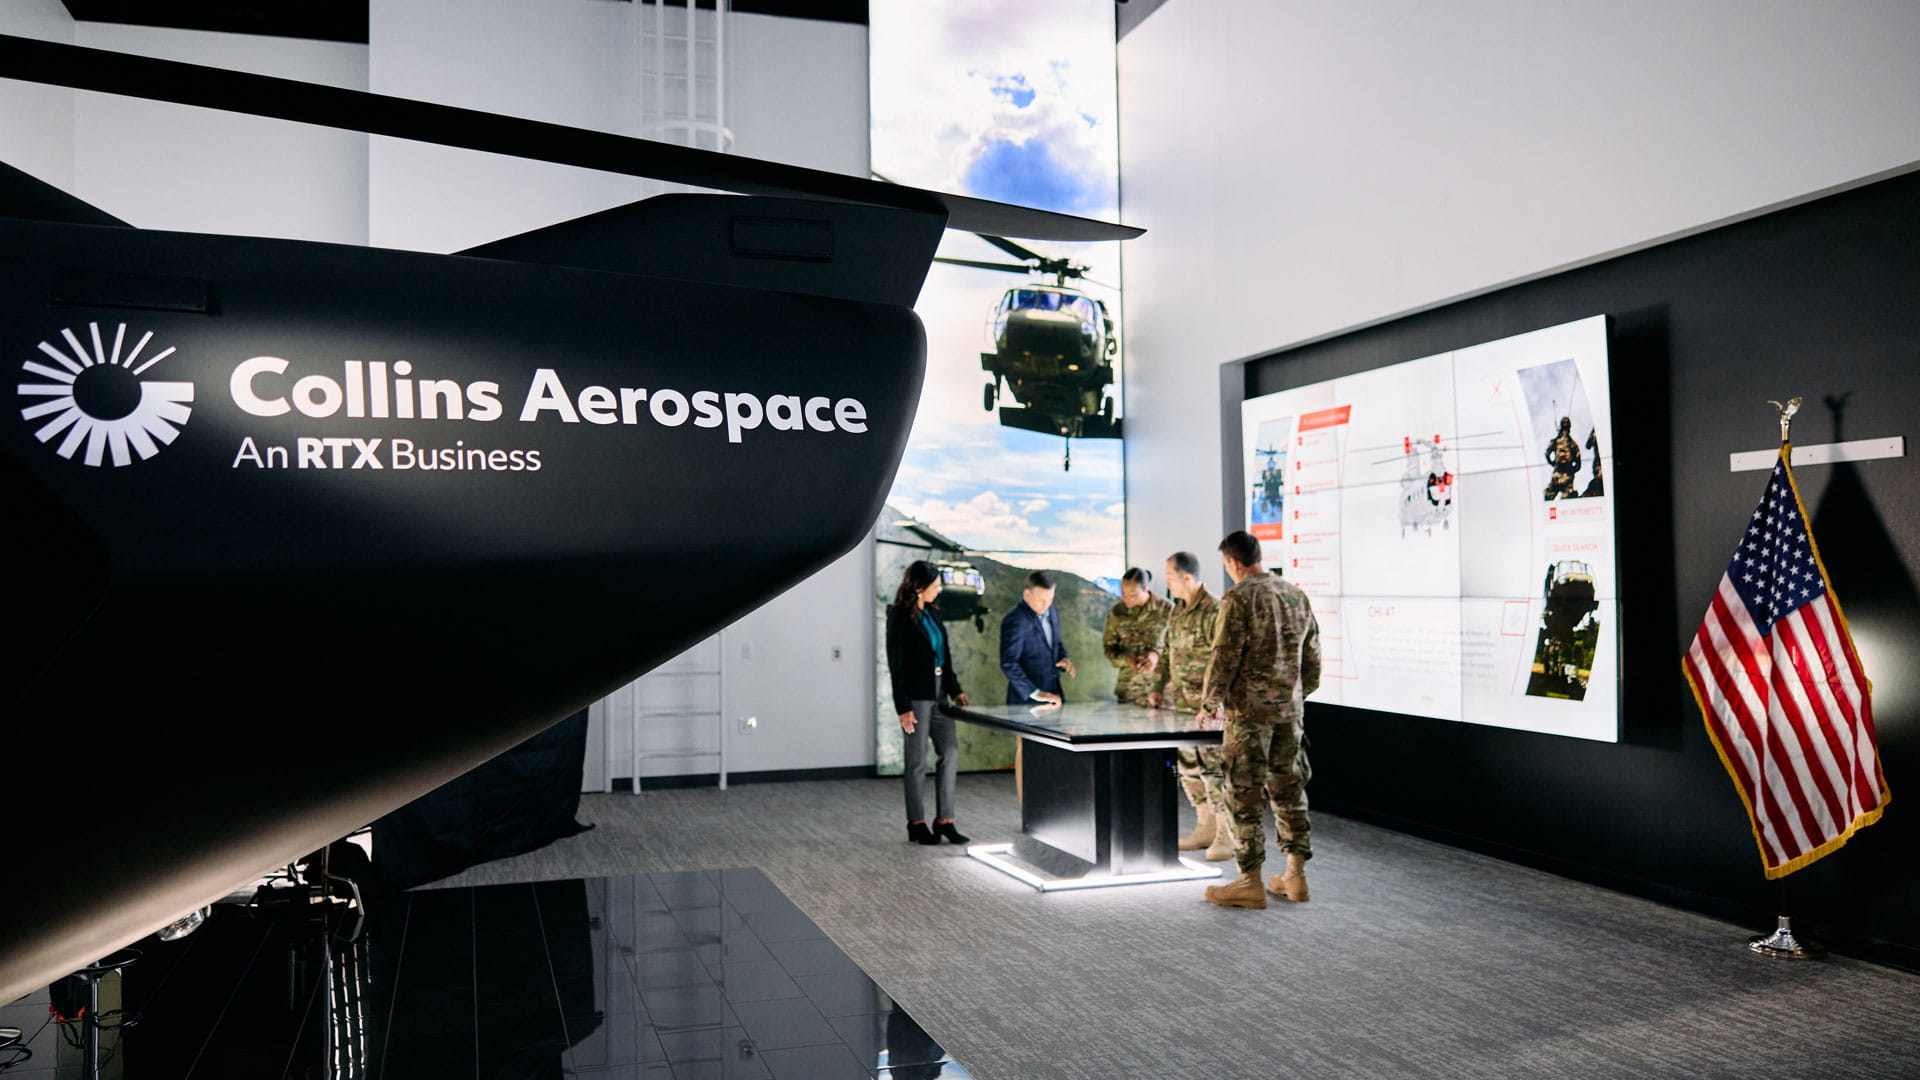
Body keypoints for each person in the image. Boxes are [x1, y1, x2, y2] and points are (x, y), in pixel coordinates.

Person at [1198, 530, 1320, 909]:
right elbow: (1312, 658)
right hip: (1290, 714)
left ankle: (1249, 881)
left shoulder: (1238, 598)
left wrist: (1209, 704)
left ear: (1233, 562)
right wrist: (1294, 695)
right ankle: (1295, 876)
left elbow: (1224, 657)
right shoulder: (1295, 594)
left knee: (1243, 795)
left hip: (1249, 717)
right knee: (1289, 790)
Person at [1149, 552, 1234, 862]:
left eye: (1170, 577)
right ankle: (1205, 827)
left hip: (1209, 710)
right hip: (1181, 706)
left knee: (1215, 771)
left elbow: (1224, 660)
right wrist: (1157, 688)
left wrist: (1215, 703)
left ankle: (1227, 834)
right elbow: (1167, 652)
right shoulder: (1177, 611)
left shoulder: (1215, 610)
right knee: (1188, 769)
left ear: (1187, 577)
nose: (1167, 582)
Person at [885, 561, 971, 846]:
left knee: (950, 752)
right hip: (916, 697)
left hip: (939, 695)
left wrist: (955, 690)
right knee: (916, 761)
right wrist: (903, 706)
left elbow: (944, 657)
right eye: (935, 586)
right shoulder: (898, 616)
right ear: (919, 587)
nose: (939, 590)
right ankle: (917, 823)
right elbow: (895, 665)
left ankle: (945, 821)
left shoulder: (933, 614)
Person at [1000, 570, 1074, 705]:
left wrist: (1064, 658)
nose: (1046, 605)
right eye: (1042, 600)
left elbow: (1056, 642)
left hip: (1053, 697)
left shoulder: (1052, 610)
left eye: (1050, 599)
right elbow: (1008, 663)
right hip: (1025, 703)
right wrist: (1034, 693)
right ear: (1027, 594)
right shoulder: (1015, 620)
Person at [1102, 567, 1171, 705]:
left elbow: (1179, 648)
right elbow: (1109, 648)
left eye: (1132, 594)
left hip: (1161, 691)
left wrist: (1156, 657)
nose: (1125, 598)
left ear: (1145, 589)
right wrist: (1126, 659)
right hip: (1129, 691)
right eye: (1123, 593)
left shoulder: (1167, 610)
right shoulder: (1117, 613)